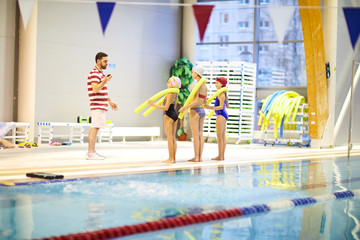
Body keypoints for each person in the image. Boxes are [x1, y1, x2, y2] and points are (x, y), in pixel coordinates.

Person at [87, 52, 118, 160]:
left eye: (107, 61)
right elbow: (95, 89)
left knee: (96, 128)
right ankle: (90, 153)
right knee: (94, 128)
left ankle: (92, 151)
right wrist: (105, 80)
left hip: (101, 105)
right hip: (97, 105)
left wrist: (109, 101)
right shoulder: (94, 73)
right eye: (105, 61)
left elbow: (101, 91)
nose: (107, 63)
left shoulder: (100, 74)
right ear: (98, 61)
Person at [148, 76, 181, 163]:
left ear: (174, 84)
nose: (167, 84)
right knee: (173, 138)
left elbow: (166, 108)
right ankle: (173, 158)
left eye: (169, 82)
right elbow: (173, 106)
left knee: (170, 138)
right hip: (174, 114)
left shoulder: (170, 94)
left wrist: (153, 105)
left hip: (168, 115)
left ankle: (171, 158)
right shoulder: (175, 94)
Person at [179, 65, 207, 162]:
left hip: (195, 111)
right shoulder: (205, 86)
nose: (191, 74)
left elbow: (195, 101)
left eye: (193, 72)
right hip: (202, 111)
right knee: (200, 134)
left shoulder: (197, 86)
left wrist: (184, 107)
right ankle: (200, 157)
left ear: (196, 73)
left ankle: (196, 157)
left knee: (196, 135)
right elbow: (204, 102)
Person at [204, 77, 229, 160]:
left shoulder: (221, 94)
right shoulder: (224, 93)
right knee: (222, 136)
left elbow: (221, 107)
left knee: (219, 136)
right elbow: (227, 106)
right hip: (224, 114)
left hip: (221, 114)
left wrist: (210, 107)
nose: (215, 84)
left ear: (222, 84)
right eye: (215, 83)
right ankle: (222, 156)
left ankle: (220, 156)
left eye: (217, 83)